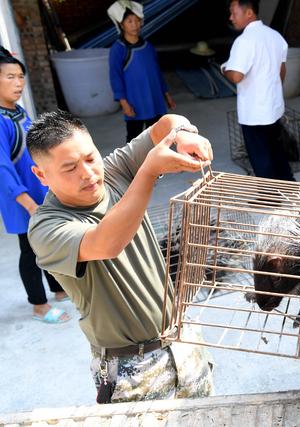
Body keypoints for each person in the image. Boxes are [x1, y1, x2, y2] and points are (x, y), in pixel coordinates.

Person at [27, 110, 214, 403]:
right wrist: (148, 172)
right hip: (131, 368)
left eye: (90, 158)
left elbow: (166, 124)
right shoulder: (46, 227)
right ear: (41, 175)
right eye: (70, 168)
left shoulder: (113, 172)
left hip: (181, 341)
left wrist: (183, 134)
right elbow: (107, 242)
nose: (88, 173)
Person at [0, 47, 70, 323]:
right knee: (30, 250)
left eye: (20, 76)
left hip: (38, 194)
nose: (18, 83)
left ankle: (57, 289)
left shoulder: (17, 111)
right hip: (20, 199)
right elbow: (2, 169)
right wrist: (27, 202)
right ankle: (39, 305)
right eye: (9, 77)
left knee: (48, 242)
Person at [223, 0, 295, 181]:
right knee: (275, 147)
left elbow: (237, 76)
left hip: (254, 111)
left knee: (259, 154)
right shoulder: (275, 36)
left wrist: (224, 69)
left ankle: (269, 197)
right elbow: (282, 70)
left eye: (234, 13)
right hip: (273, 106)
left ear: (249, 13)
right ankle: (288, 182)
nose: (231, 18)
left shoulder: (244, 41)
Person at [108, 1, 176, 143]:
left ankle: (159, 164)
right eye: (130, 21)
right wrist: (124, 103)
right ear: (121, 25)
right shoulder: (118, 49)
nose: (135, 24)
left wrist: (167, 95)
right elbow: (115, 77)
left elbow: (157, 73)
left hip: (155, 99)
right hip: (135, 102)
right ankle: (134, 165)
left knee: (159, 137)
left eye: (137, 20)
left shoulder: (148, 46)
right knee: (134, 140)